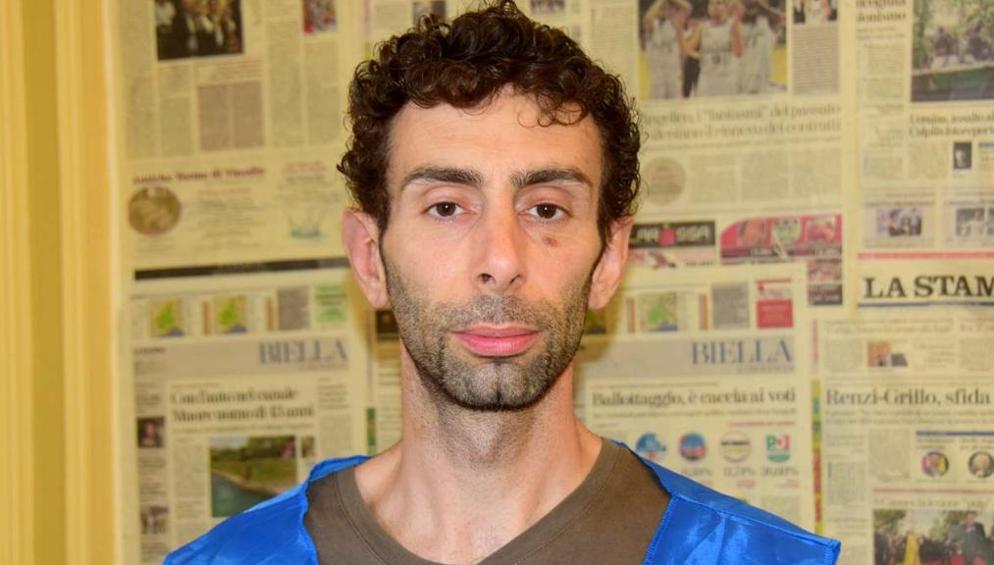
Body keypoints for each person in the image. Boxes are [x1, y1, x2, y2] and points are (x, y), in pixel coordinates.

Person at [165, 2, 840, 563]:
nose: (500, 258)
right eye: (446, 207)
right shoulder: (233, 559)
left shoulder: (753, 556)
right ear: (370, 258)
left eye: (545, 209)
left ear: (609, 259)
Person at [643, 0, 690, 99]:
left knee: (675, 102)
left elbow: (687, 7)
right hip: (657, 76)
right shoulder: (652, 24)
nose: (665, 11)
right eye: (662, 8)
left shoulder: (675, 24)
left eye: (668, 9)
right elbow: (648, 16)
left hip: (673, 74)